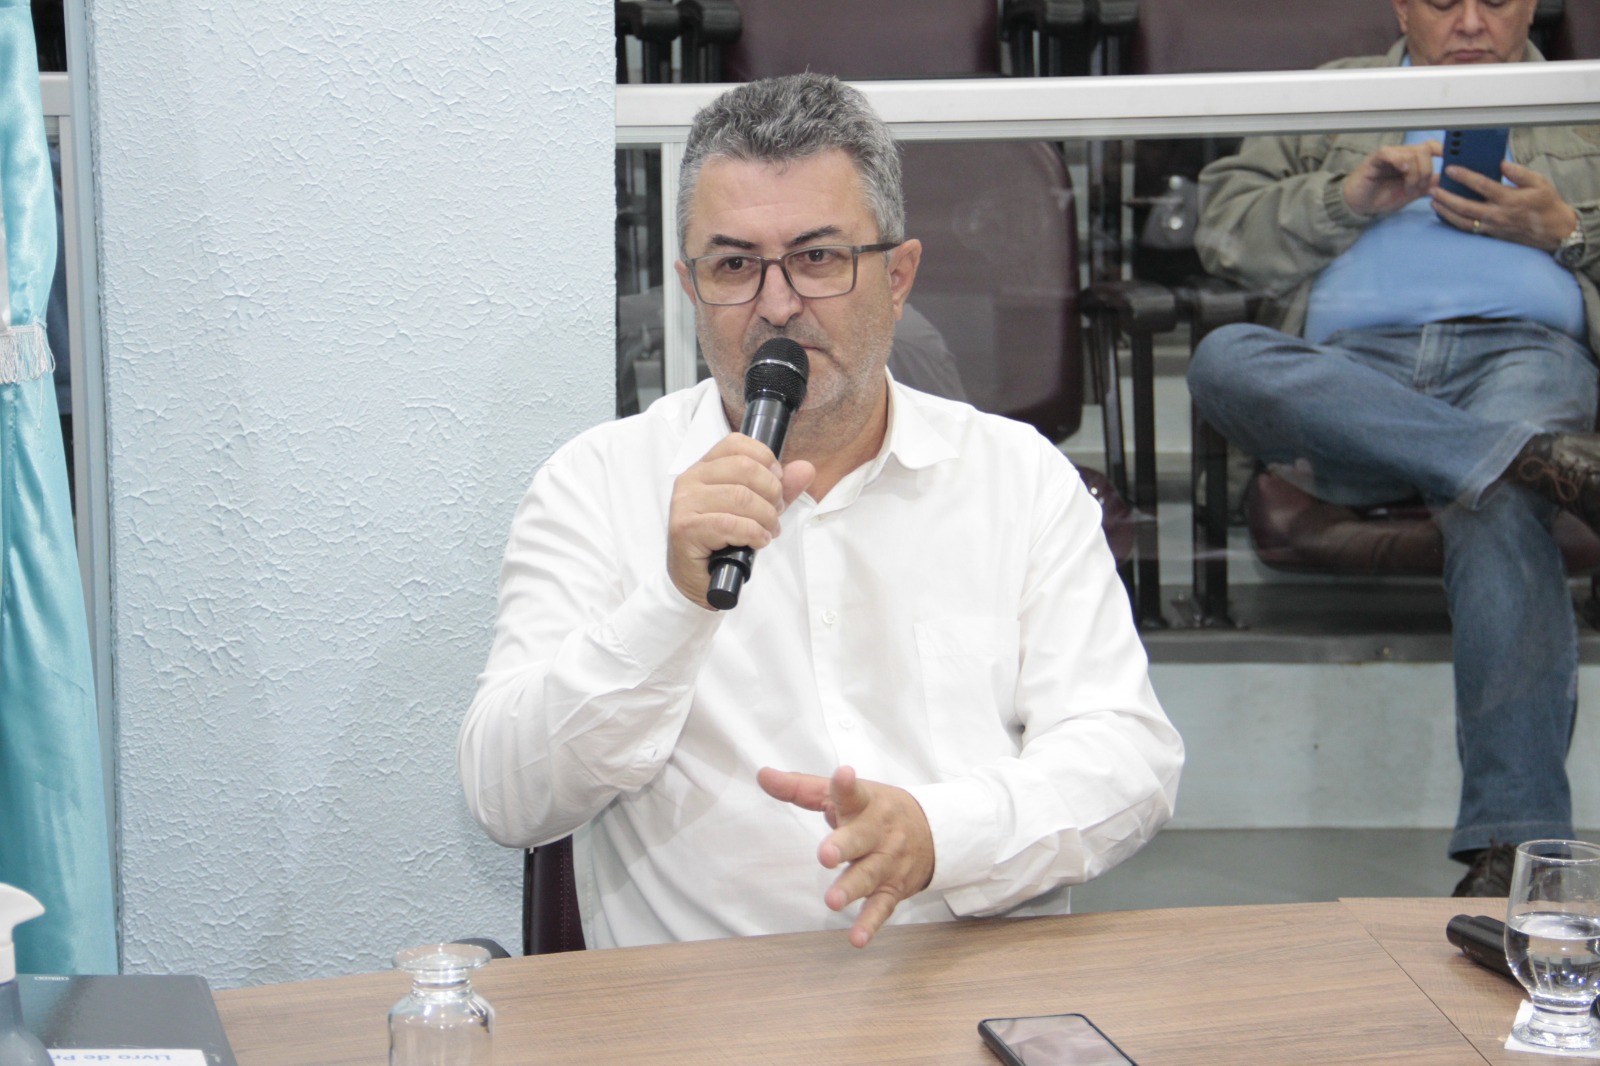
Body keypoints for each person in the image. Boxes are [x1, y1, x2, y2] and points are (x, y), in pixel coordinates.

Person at [459, 73, 1183, 950]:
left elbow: (1127, 759)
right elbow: (507, 796)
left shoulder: (1017, 478)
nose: (777, 305)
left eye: (817, 259)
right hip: (702, 1005)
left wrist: (940, 835)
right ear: (690, 287)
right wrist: (671, 604)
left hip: (967, 991)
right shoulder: (597, 484)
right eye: (734, 266)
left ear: (898, 276)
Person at [1188, 0, 1600, 896]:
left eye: (1495, 0)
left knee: (1495, 505)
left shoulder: (1584, 99)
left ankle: (1510, 851)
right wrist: (1344, 200)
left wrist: (1567, 231)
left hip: (1522, 353)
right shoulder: (1339, 96)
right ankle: (1524, 460)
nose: (1471, 22)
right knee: (1224, 359)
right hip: (1351, 379)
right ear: (1401, 6)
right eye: (1443, 1)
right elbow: (1220, 231)